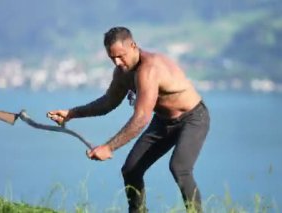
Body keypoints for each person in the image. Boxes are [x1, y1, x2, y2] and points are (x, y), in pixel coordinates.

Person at [47, 26, 210, 213]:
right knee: (131, 170)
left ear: (133, 46)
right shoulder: (122, 73)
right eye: (112, 57)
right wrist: (72, 113)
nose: (117, 62)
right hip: (164, 122)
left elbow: (141, 118)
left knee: (179, 167)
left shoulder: (149, 70)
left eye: (121, 55)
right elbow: (107, 103)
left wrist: (109, 147)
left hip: (193, 118)